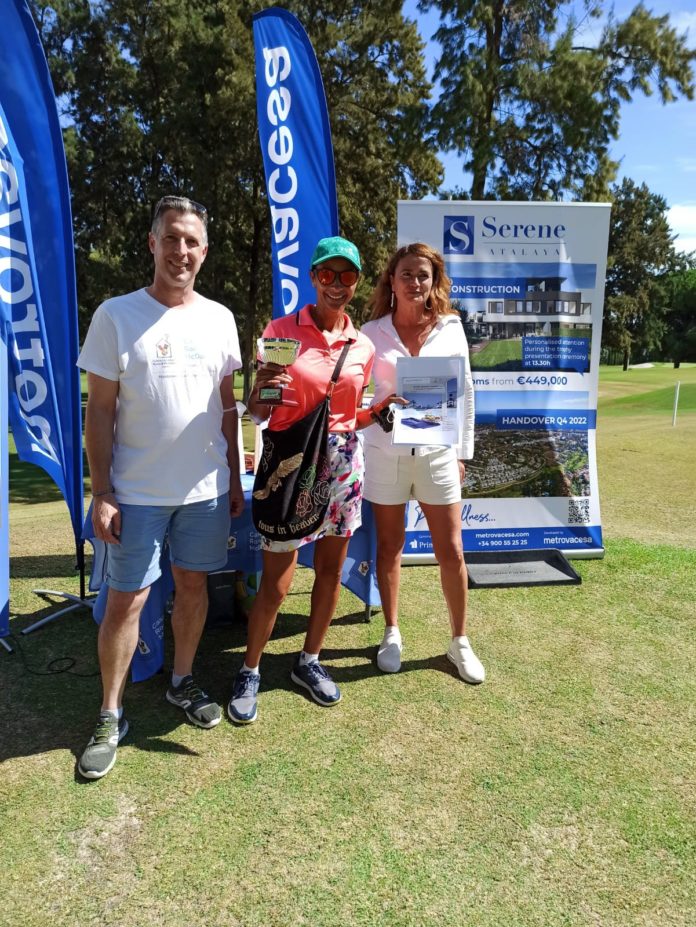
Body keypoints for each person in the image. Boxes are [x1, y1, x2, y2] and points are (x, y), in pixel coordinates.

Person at [76, 195, 244, 779]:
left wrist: (235, 480)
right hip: (136, 492)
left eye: (191, 241)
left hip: (205, 489)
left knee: (193, 588)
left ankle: (181, 680)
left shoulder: (222, 319)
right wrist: (102, 491)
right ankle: (109, 712)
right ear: (152, 243)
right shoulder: (115, 315)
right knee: (127, 600)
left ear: (204, 251)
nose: (181, 250)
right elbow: (98, 412)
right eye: (171, 238)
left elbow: (229, 408)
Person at [227, 236, 376, 724]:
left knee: (331, 570)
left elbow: (351, 415)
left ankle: (309, 661)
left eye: (347, 276)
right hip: (294, 460)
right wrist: (263, 382)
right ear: (313, 277)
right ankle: (250, 669)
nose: (337, 285)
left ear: (356, 281)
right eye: (328, 275)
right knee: (277, 580)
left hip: (344, 464)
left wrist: (381, 411)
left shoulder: (363, 345)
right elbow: (258, 410)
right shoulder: (281, 330)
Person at [361, 242, 485, 684]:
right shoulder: (371, 332)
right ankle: (392, 632)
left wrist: (461, 454)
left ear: (435, 282)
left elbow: (466, 392)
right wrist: (378, 407)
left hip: (437, 455)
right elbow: (358, 395)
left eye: (424, 275)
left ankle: (459, 641)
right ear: (391, 281)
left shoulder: (451, 328)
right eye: (407, 274)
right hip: (386, 455)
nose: (415, 282)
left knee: (450, 551)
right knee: (389, 548)